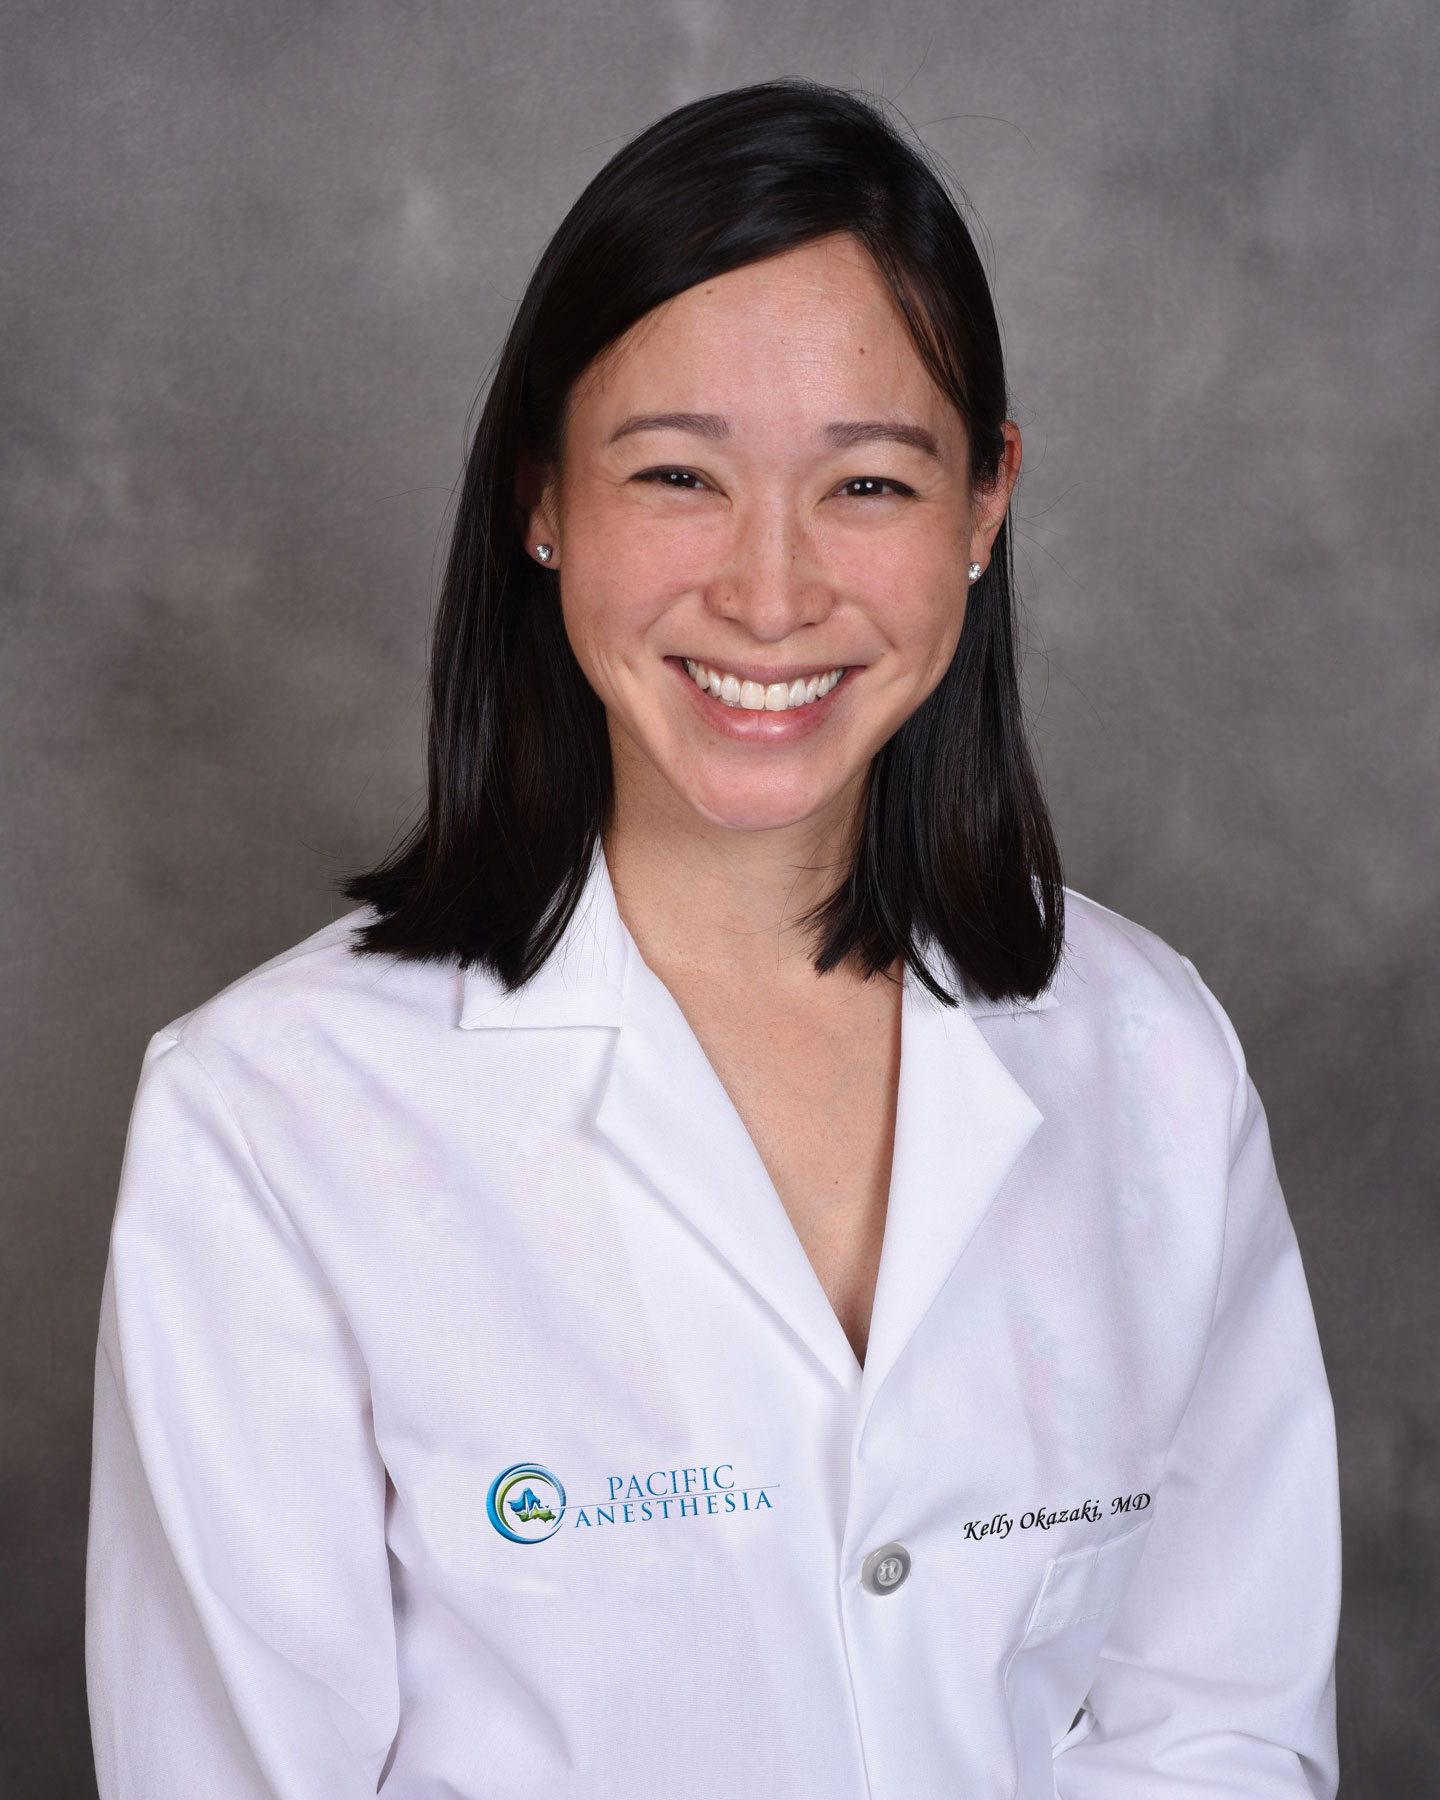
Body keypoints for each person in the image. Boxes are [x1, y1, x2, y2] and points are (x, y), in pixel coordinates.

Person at [86, 81, 1340, 1799]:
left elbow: (1217, 1725)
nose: (770, 591)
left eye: (872, 486)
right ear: (542, 495)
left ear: (986, 509)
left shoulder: (1152, 1054)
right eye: (679, 473)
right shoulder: (269, 1118)